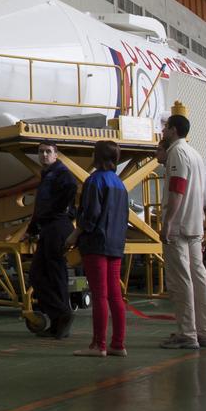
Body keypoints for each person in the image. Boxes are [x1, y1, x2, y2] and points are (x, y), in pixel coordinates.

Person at [160, 108, 206, 349]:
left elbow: (177, 189)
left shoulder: (177, 153)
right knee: (199, 277)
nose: (163, 131)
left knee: (181, 281)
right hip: (194, 223)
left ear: (173, 130)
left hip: (179, 227)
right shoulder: (195, 153)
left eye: (165, 127)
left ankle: (187, 333)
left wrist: (168, 222)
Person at [70, 140, 129, 357]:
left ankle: (98, 345)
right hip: (115, 245)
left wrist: (75, 234)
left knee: (99, 295)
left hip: (96, 244)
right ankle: (118, 343)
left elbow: (91, 214)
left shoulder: (94, 181)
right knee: (115, 295)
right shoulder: (120, 184)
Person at [27, 140, 77, 339]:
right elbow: (40, 206)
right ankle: (59, 318)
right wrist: (32, 228)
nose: (44, 155)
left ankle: (62, 316)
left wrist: (59, 210)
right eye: (41, 152)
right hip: (49, 227)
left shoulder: (60, 173)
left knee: (53, 274)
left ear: (56, 155)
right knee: (41, 275)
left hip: (57, 226)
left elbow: (71, 187)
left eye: (48, 152)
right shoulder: (47, 174)